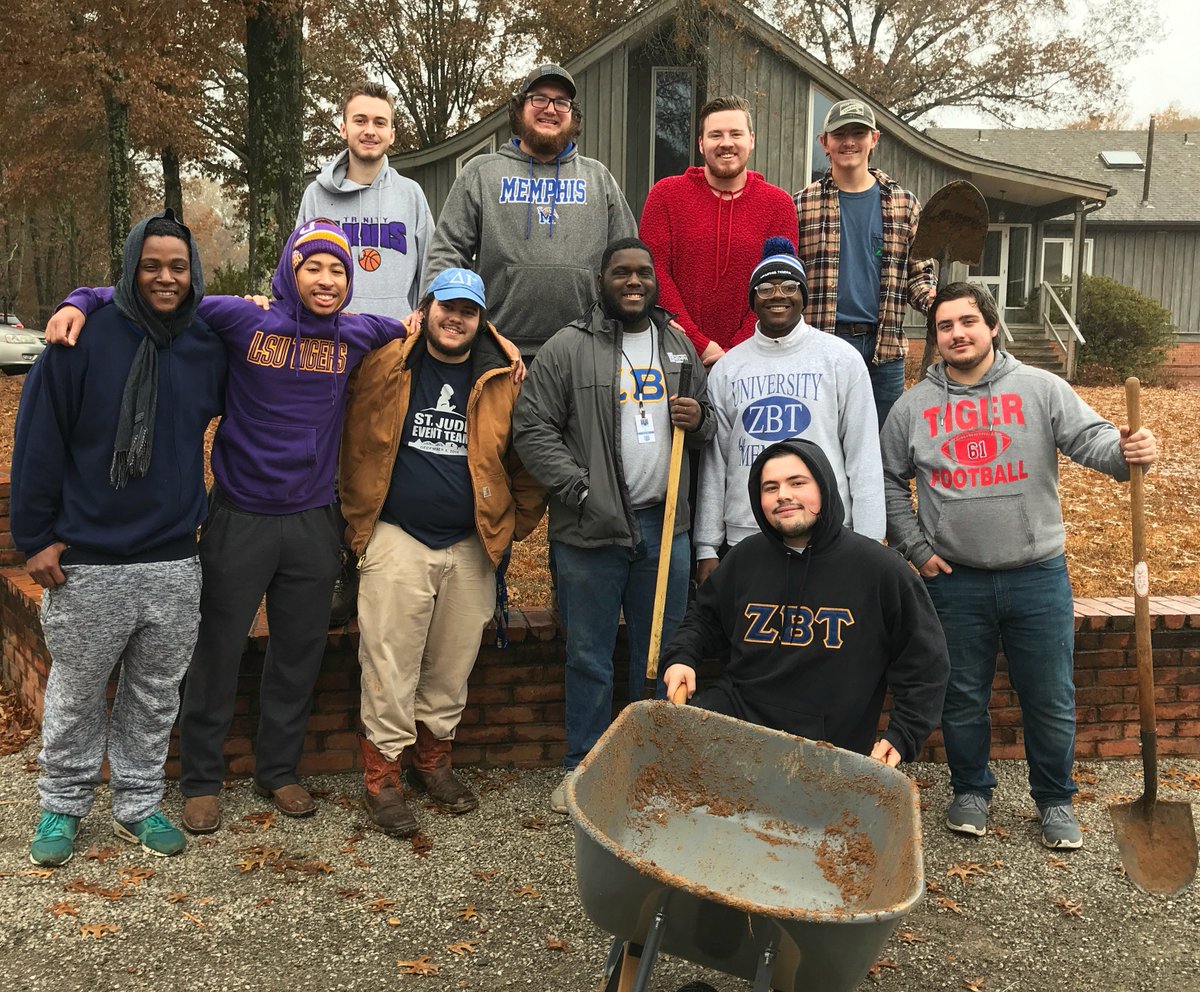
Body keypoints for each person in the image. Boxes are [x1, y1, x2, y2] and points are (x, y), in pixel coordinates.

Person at [44, 219, 409, 834]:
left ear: (351, 282)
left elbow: (426, 325)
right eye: (313, 266)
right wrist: (80, 299)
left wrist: (498, 342)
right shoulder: (244, 320)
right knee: (216, 650)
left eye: (338, 270)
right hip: (239, 516)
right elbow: (157, 295)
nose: (326, 279)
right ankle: (202, 779)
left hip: (312, 521)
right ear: (290, 271)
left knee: (299, 652)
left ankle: (279, 770)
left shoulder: (356, 332)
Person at [880, 282, 1158, 849]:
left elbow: (1094, 440)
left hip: (1038, 576)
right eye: (944, 326)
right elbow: (885, 479)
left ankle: (1055, 799)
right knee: (961, 695)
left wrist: (1127, 451)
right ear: (933, 338)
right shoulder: (913, 407)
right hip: (954, 581)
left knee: (1050, 697)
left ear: (991, 326)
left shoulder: (1039, 388)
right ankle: (971, 790)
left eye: (967, 322)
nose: (956, 333)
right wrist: (917, 548)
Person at [12, 210, 226, 864]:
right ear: (131, 267)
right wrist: (35, 537)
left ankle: (137, 801)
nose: (165, 278)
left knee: (155, 694)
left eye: (178, 266)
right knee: (76, 691)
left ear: (193, 274)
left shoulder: (206, 344)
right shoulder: (82, 340)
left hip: (172, 559)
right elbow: (38, 441)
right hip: (87, 561)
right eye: (151, 265)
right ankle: (62, 805)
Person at [339, 268, 546, 836]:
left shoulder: (504, 376)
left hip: (471, 542)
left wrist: (513, 523)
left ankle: (434, 760)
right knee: (388, 660)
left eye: (468, 311)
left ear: (482, 320)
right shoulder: (387, 360)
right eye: (446, 307)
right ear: (426, 308)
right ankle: (382, 777)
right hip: (397, 532)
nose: (455, 319)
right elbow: (342, 418)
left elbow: (529, 457)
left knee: (453, 663)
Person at [513, 237, 714, 813]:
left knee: (659, 655)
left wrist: (698, 419)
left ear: (655, 282)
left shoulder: (677, 347)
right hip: (588, 531)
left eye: (643, 273)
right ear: (601, 281)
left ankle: (647, 768)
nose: (633, 282)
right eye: (621, 272)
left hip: (664, 526)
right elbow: (532, 429)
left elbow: (709, 427)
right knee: (588, 654)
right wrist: (579, 489)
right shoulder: (567, 348)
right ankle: (584, 769)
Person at [663, 439, 948, 765]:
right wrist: (682, 657)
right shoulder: (745, 558)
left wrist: (903, 734)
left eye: (797, 483)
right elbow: (704, 617)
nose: (783, 494)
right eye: (770, 487)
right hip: (736, 727)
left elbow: (925, 663)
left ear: (825, 487)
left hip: (827, 751)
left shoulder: (880, 570)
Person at [694, 237, 883, 584]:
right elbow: (714, 462)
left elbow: (864, 456)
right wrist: (706, 546)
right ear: (752, 299)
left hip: (825, 535)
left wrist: (869, 543)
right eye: (765, 287)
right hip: (746, 536)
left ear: (804, 297)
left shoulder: (840, 360)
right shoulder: (728, 368)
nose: (777, 294)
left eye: (789, 285)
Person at [424, 64, 637, 360]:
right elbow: (448, 250)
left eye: (561, 102)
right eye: (539, 98)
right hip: (496, 346)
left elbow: (628, 259)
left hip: (584, 349)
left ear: (572, 116)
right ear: (519, 110)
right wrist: (431, 309)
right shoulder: (482, 173)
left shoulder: (598, 178)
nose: (550, 109)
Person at [794, 99, 936, 429]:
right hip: (822, 345)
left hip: (883, 350)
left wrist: (937, 304)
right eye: (839, 134)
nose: (849, 142)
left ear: (874, 139)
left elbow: (918, 274)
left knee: (885, 449)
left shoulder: (904, 204)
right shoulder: (801, 205)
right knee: (821, 442)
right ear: (824, 143)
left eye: (858, 133)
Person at [638, 94, 798, 367]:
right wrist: (699, 344)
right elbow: (654, 271)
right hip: (674, 353)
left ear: (751, 140)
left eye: (736, 133)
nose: (726, 143)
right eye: (716, 135)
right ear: (701, 143)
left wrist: (738, 350)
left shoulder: (778, 204)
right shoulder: (665, 195)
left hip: (756, 357)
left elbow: (778, 283)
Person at [297, 81, 434, 319]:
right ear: (343, 129)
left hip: (395, 339)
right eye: (360, 120)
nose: (370, 130)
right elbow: (297, 269)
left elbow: (430, 272)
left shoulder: (411, 194)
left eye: (379, 123)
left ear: (391, 135)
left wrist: (422, 314)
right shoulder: (316, 195)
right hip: (330, 336)